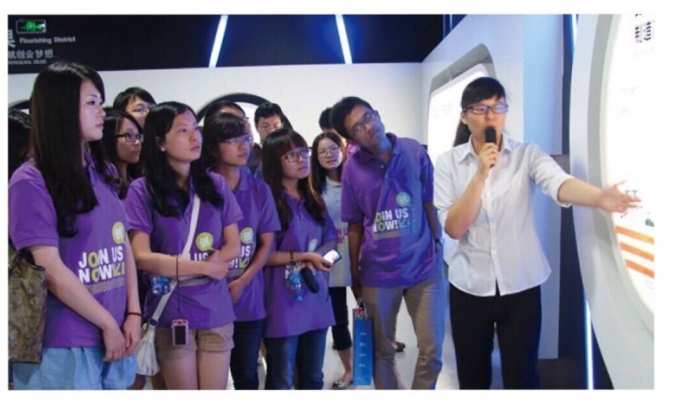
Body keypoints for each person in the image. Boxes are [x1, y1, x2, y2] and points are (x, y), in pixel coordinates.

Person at [433, 76, 640, 389]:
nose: (491, 116)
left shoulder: (526, 155)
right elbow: (454, 227)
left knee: (523, 377)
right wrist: (479, 176)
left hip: (521, 285)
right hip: (469, 287)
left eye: (498, 107)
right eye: (481, 109)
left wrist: (598, 198)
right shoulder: (449, 163)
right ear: (464, 116)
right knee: (473, 378)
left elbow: (557, 182)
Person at [8, 60, 141, 390]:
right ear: (62, 108)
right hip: (64, 342)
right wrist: (107, 323)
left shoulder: (102, 170)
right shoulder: (31, 181)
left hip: (115, 332)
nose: (101, 112)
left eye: (101, 102)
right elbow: (50, 270)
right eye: (91, 102)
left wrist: (133, 313)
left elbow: (121, 243)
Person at [124, 101, 242, 390]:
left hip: (215, 307)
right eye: (182, 130)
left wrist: (203, 267)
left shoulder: (215, 184)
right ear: (160, 143)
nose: (194, 137)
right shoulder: (143, 190)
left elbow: (234, 246)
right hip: (171, 308)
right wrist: (205, 268)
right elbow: (141, 256)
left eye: (195, 129)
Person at [330, 97, 446, 390]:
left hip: (425, 268)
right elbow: (355, 226)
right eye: (358, 128)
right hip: (379, 273)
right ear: (351, 139)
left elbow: (428, 200)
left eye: (368, 117)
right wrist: (355, 274)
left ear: (378, 114)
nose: (368, 127)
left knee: (432, 352)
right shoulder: (352, 169)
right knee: (382, 352)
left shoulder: (413, 150)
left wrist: (437, 240)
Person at [202, 111, 281, 389]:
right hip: (205, 297)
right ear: (213, 147)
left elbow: (267, 242)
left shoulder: (259, 189)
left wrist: (243, 281)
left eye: (246, 139)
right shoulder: (200, 187)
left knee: (246, 375)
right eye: (233, 140)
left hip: (248, 298)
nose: (243, 146)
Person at [261, 128, 338, 389]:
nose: (302, 159)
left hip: (316, 297)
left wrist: (318, 258)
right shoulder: (268, 201)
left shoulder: (313, 198)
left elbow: (332, 240)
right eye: (291, 155)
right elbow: (262, 255)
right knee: (281, 379)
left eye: (304, 152)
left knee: (313, 378)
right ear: (275, 161)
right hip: (283, 302)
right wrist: (304, 256)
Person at [309, 132, 354, 389]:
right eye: (322, 151)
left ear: (343, 149)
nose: (329, 154)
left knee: (370, 313)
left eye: (333, 148)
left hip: (359, 253)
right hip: (331, 255)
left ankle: (376, 363)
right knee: (337, 315)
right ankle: (349, 369)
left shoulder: (354, 179)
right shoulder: (313, 187)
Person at [97, 108, 144, 200]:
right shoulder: (102, 185)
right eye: (129, 136)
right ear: (108, 139)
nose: (137, 142)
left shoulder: (137, 180)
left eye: (138, 136)